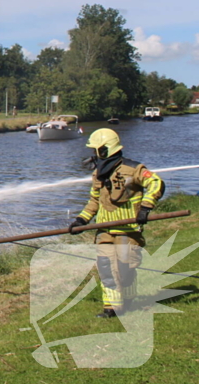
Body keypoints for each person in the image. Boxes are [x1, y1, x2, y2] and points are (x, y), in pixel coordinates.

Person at [69, 128, 164, 317]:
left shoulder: (133, 169)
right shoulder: (98, 174)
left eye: (96, 150)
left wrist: (146, 207)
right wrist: (81, 220)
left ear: (104, 150)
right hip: (104, 230)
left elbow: (156, 183)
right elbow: (94, 200)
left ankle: (127, 300)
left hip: (127, 230)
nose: (93, 155)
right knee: (106, 268)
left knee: (124, 269)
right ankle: (111, 308)